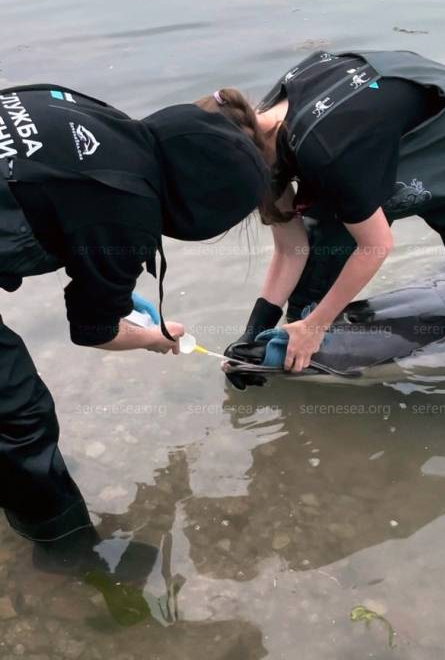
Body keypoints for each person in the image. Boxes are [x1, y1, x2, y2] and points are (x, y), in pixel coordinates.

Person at [0, 83, 269, 574]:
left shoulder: (99, 112)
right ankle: (66, 551)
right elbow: (93, 331)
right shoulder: (127, 210)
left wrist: (115, 289)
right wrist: (156, 339)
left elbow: (60, 200)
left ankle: (20, 488)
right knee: (17, 415)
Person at [203, 49, 445, 376]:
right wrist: (255, 331)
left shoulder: (326, 151)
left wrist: (317, 327)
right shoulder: (255, 129)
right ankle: (297, 346)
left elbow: (375, 246)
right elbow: (291, 248)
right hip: (382, 141)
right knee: (322, 251)